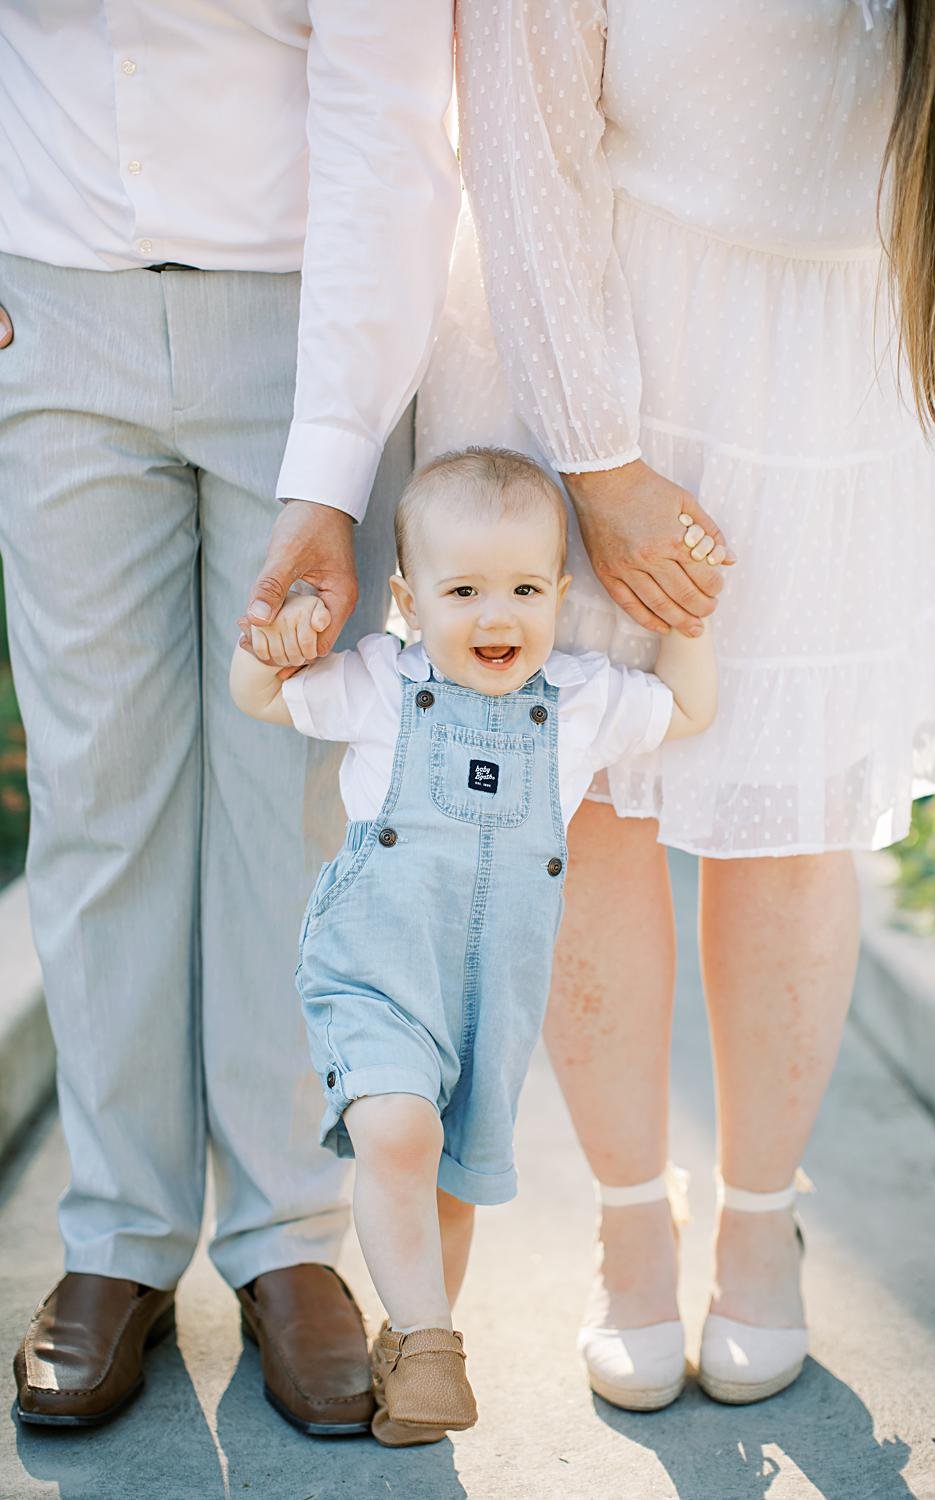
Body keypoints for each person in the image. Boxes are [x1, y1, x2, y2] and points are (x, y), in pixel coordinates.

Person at [418, 0, 935, 1407]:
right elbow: (520, 139)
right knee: (596, 802)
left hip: (841, 361)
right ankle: (628, 1224)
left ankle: (759, 1219)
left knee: (793, 814)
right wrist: (598, 462)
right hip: (602, 329)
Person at [1, 1, 458, 1431]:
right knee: (98, 793)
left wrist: (330, 473)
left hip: (309, 324)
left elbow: (393, 118)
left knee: (299, 801)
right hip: (49, 302)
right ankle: (119, 1240)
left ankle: (287, 1240)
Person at [230, 446, 718, 1442]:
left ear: (560, 592)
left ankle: (414, 1348)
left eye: (524, 589)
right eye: (464, 591)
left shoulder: (578, 703)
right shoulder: (378, 684)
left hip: (493, 993)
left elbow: (687, 710)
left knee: (449, 1182)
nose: (496, 617)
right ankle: (432, 1343)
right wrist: (271, 639)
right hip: (374, 968)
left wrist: (687, 619)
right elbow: (262, 699)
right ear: (409, 598)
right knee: (399, 1132)